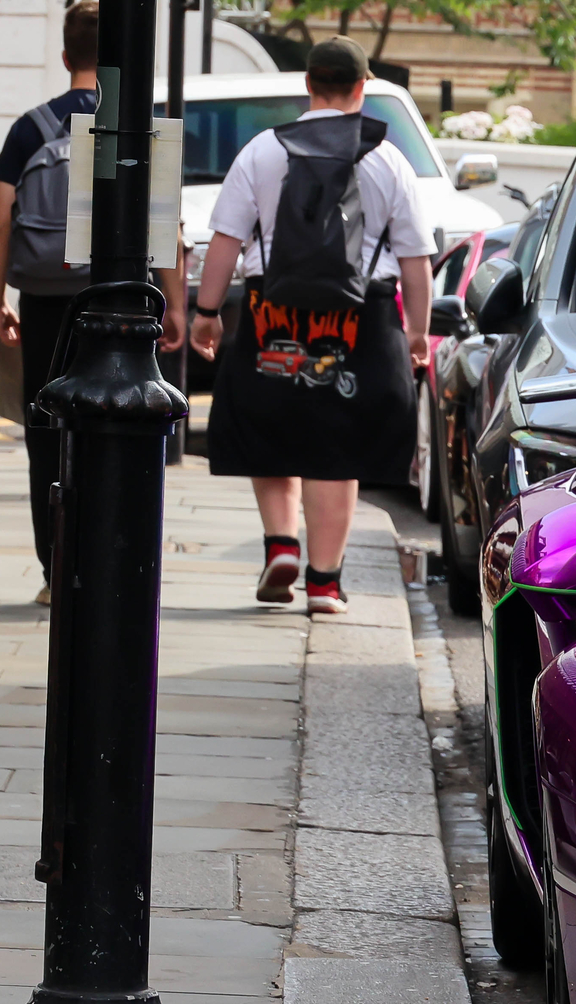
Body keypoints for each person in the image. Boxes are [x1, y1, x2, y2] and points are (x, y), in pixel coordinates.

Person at [187, 36, 432, 617]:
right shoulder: (388, 158)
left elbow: (226, 240)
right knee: (338, 446)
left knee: (272, 427)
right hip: (362, 314)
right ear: (362, 87)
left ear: (308, 85)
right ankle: (324, 584)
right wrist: (418, 332)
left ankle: (280, 544)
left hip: (273, 308)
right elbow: (416, 258)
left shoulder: (263, 151)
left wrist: (205, 314)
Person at [0, 2, 185, 605]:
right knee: (121, 425)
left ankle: (56, 570)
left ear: (66, 55)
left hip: (46, 299)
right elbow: (165, 225)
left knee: (46, 430)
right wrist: (174, 303)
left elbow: (0, 222)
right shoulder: (137, 122)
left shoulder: (32, 127)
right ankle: (113, 559)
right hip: (122, 299)